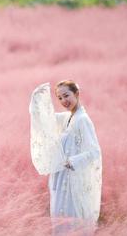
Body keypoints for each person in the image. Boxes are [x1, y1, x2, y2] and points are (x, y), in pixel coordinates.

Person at [29, 80, 102, 235]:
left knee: (71, 222)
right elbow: (46, 120)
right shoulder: (69, 117)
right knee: (61, 221)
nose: (64, 101)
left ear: (76, 93)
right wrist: (37, 101)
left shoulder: (82, 120)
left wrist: (72, 161)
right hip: (61, 179)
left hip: (71, 181)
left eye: (66, 95)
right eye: (60, 98)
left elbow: (94, 152)